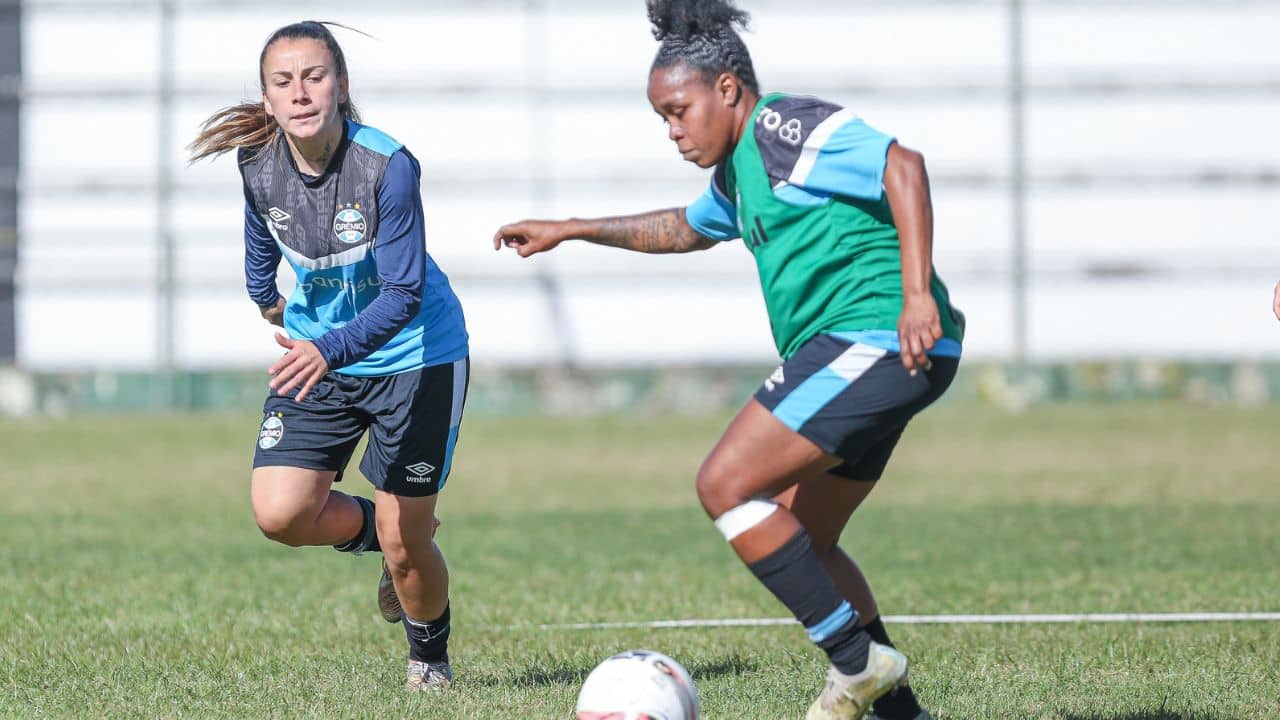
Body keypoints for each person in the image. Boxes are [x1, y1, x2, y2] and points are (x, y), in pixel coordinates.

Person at [495, 2, 963, 718]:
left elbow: (903, 164)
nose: (674, 130)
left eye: (680, 110)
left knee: (724, 484)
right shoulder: (738, 175)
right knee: (805, 537)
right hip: (868, 347)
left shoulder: (780, 127)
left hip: (875, 335)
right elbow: (685, 228)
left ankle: (855, 664)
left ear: (728, 90)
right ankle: (901, 713)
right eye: (662, 118)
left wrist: (914, 296)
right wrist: (574, 228)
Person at [188, 21, 469, 691]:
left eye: (314, 76)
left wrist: (326, 346)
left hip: (415, 357)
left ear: (340, 87)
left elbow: (402, 294)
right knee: (280, 515)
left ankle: (428, 661)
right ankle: (380, 529)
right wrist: (265, 298)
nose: (301, 91)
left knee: (411, 548)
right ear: (266, 99)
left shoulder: (387, 166)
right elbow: (262, 232)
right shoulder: (257, 163)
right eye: (283, 81)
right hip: (320, 356)